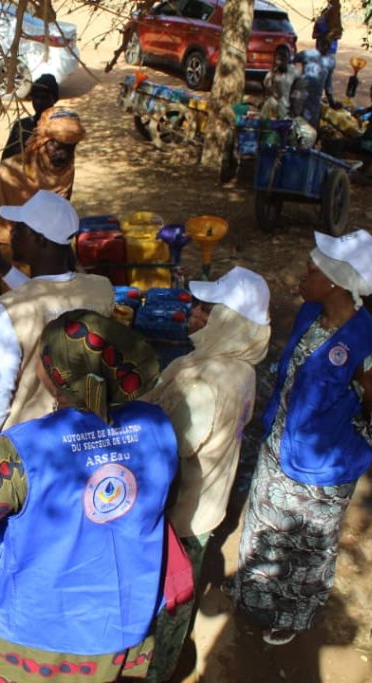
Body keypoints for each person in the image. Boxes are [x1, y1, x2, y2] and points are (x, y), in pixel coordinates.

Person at [0, 310, 178, 683]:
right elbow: (159, 502)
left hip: (30, 633)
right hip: (122, 618)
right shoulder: (157, 425)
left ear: (53, 375)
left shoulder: (22, 449)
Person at [232, 230, 372, 646]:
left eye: (311, 272)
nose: (301, 278)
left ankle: (291, 614)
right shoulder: (310, 315)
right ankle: (253, 596)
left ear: (336, 283)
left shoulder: (367, 352)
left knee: (305, 548)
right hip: (280, 446)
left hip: (321, 471)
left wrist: (340, 435)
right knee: (264, 527)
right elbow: (289, 371)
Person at [141, 266, 271, 682]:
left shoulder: (204, 383)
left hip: (180, 513)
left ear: (229, 322)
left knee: (168, 595)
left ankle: (157, 668)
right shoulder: (239, 367)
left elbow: (168, 453)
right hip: (209, 501)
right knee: (180, 587)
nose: (194, 314)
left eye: (206, 310)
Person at [0, 191, 114, 470]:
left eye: (20, 228)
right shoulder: (101, 289)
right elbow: (49, 294)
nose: (12, 233)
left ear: (39, 240)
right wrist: (1, 266)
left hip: (29, 452)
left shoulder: (7, 313)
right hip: (84, 440)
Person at [0, 107, 85, 254]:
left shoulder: (66, 170)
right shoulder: (5, 174)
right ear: (41, 141)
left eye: (69, 148)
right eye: (55, 145)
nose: (63, 155)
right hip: (9, 256)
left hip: (48, 255)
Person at [1, 74, 60, 160]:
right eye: (36, 97)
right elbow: (6, 159)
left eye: (44, 97)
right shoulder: (21, 126)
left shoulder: (62, 127)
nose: (39, 102)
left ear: (54, 99)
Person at [291, 36, 339, 130]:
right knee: (297, 120)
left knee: (310, 125)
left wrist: (331, 101)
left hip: (315, 97)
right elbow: (291, 60)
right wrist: (294, 78)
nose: (325, 47)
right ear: (318, 44)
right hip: (302, 93)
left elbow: (328, 83)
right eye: (323, 44)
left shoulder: (330, 61)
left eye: (328, 45)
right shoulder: (307, 54)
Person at [312, 0, 342, 99]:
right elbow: (314, 35)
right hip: (321, 53)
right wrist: (324, 36)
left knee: (328, 80)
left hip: (331, 53)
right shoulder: (321, 20)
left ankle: (328, 98)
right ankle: (318, 99)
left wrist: (332, 35)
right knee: (320, 79)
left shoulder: (337, 22)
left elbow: (339, 35)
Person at [262, 48, 296, 120]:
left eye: (284, 58)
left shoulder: (293, 71)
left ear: (288, 59)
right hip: (277, 107)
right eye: (279, 59)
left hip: (290, 108)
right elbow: (267, 89)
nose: (281, 62)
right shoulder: (272, 73)